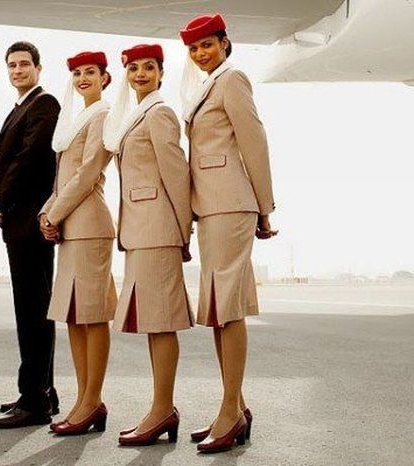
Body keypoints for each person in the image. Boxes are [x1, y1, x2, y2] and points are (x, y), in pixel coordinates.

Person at [179, 14, 278, 453]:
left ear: (224, 42)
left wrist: (265, 207)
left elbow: (254, 142)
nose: (201, 53)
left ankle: (229, 412)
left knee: (228, 308)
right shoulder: (207, 85)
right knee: (220, 309)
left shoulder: (233, 79)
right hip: (211, 205)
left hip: (231, 202)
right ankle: (235, 405)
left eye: (207, 44)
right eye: (194, 48)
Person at [103, 44, 194, 446]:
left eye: (149, 67)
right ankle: (161, 409)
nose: (140, 74)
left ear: (161, 73)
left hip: (158, 231)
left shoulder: (160, 113)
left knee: (161, 322)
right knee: (153, 324)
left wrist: (183, 233)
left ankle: (163, 410)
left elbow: (177, 175)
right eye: (134, 68)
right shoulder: (135, 115)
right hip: (140, 232)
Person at [0, 41, 61, 428]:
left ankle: (33, 401)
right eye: (12, 65)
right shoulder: (20, 107)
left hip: (30, 220)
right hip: (21, 221)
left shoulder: (44, 104)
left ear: (38, 68)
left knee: (32, 310)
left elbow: (29, 158)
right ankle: (44, 392)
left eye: (24, 64)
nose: (17, 70)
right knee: (34, 308)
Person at [39, 51, 117, 436]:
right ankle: (84, 400)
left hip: (89, 226)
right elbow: (63, 178)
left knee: (92, 315)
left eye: (91, 72)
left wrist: (54, 214)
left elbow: (88, 174)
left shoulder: (103, 115)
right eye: (77, 73)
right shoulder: (75, 120)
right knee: (72, 315)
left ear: (105, 78)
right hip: (71, 226)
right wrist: (47, 212)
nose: (83, 78)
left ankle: (92, 400)